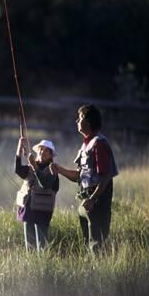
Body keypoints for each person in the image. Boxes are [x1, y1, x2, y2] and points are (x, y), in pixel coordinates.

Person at [50, 104, 118, 253]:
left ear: (88, 121)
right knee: (88, 245)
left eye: (80, 118)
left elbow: (106, 176)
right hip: (86, 202)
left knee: (96, 245)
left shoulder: (99, 144)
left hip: (96, 202)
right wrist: (59, 169)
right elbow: (79, 176)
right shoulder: (86, 144)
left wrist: (93, 199)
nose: (77, 121)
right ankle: (91, 273)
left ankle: (100, 274)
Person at [15, 138, 59, 252]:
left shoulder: (52, 169)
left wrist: (34, 166)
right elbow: (18, 169)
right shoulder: (31, 166)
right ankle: (31, 266)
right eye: (41, 149)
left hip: (42, 211)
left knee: (42, 245)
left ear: (50, 155)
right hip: (28, 209)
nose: (42, 152)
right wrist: (19, 149)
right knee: (29, 245)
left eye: (46, 151)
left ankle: (42, 266)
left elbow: (45, 184)